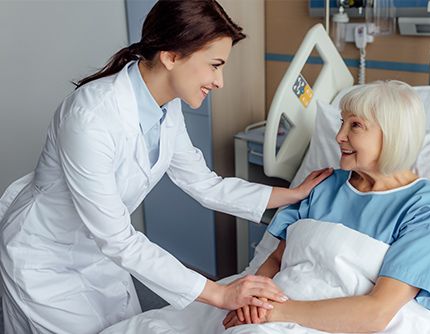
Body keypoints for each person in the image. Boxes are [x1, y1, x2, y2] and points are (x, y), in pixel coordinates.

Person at [0, 1, 332, 333]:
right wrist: (219, 293)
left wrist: (292, 195)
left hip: (98, 255)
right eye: (214, 65)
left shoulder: (165, 109)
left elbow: (204, 184)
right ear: (171, 56)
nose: (220, 81)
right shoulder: (90, 117)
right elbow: (118, 239)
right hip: (46, 259)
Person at [223, 80, 430, 332]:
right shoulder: (325, 185)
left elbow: (376, 312)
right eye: (342, 122)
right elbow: (277, 257)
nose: (339, 136)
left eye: (355, 125)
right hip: (270, 307)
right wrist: (252, 300)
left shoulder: (426, 209)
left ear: (392, 135)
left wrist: (271, 313)